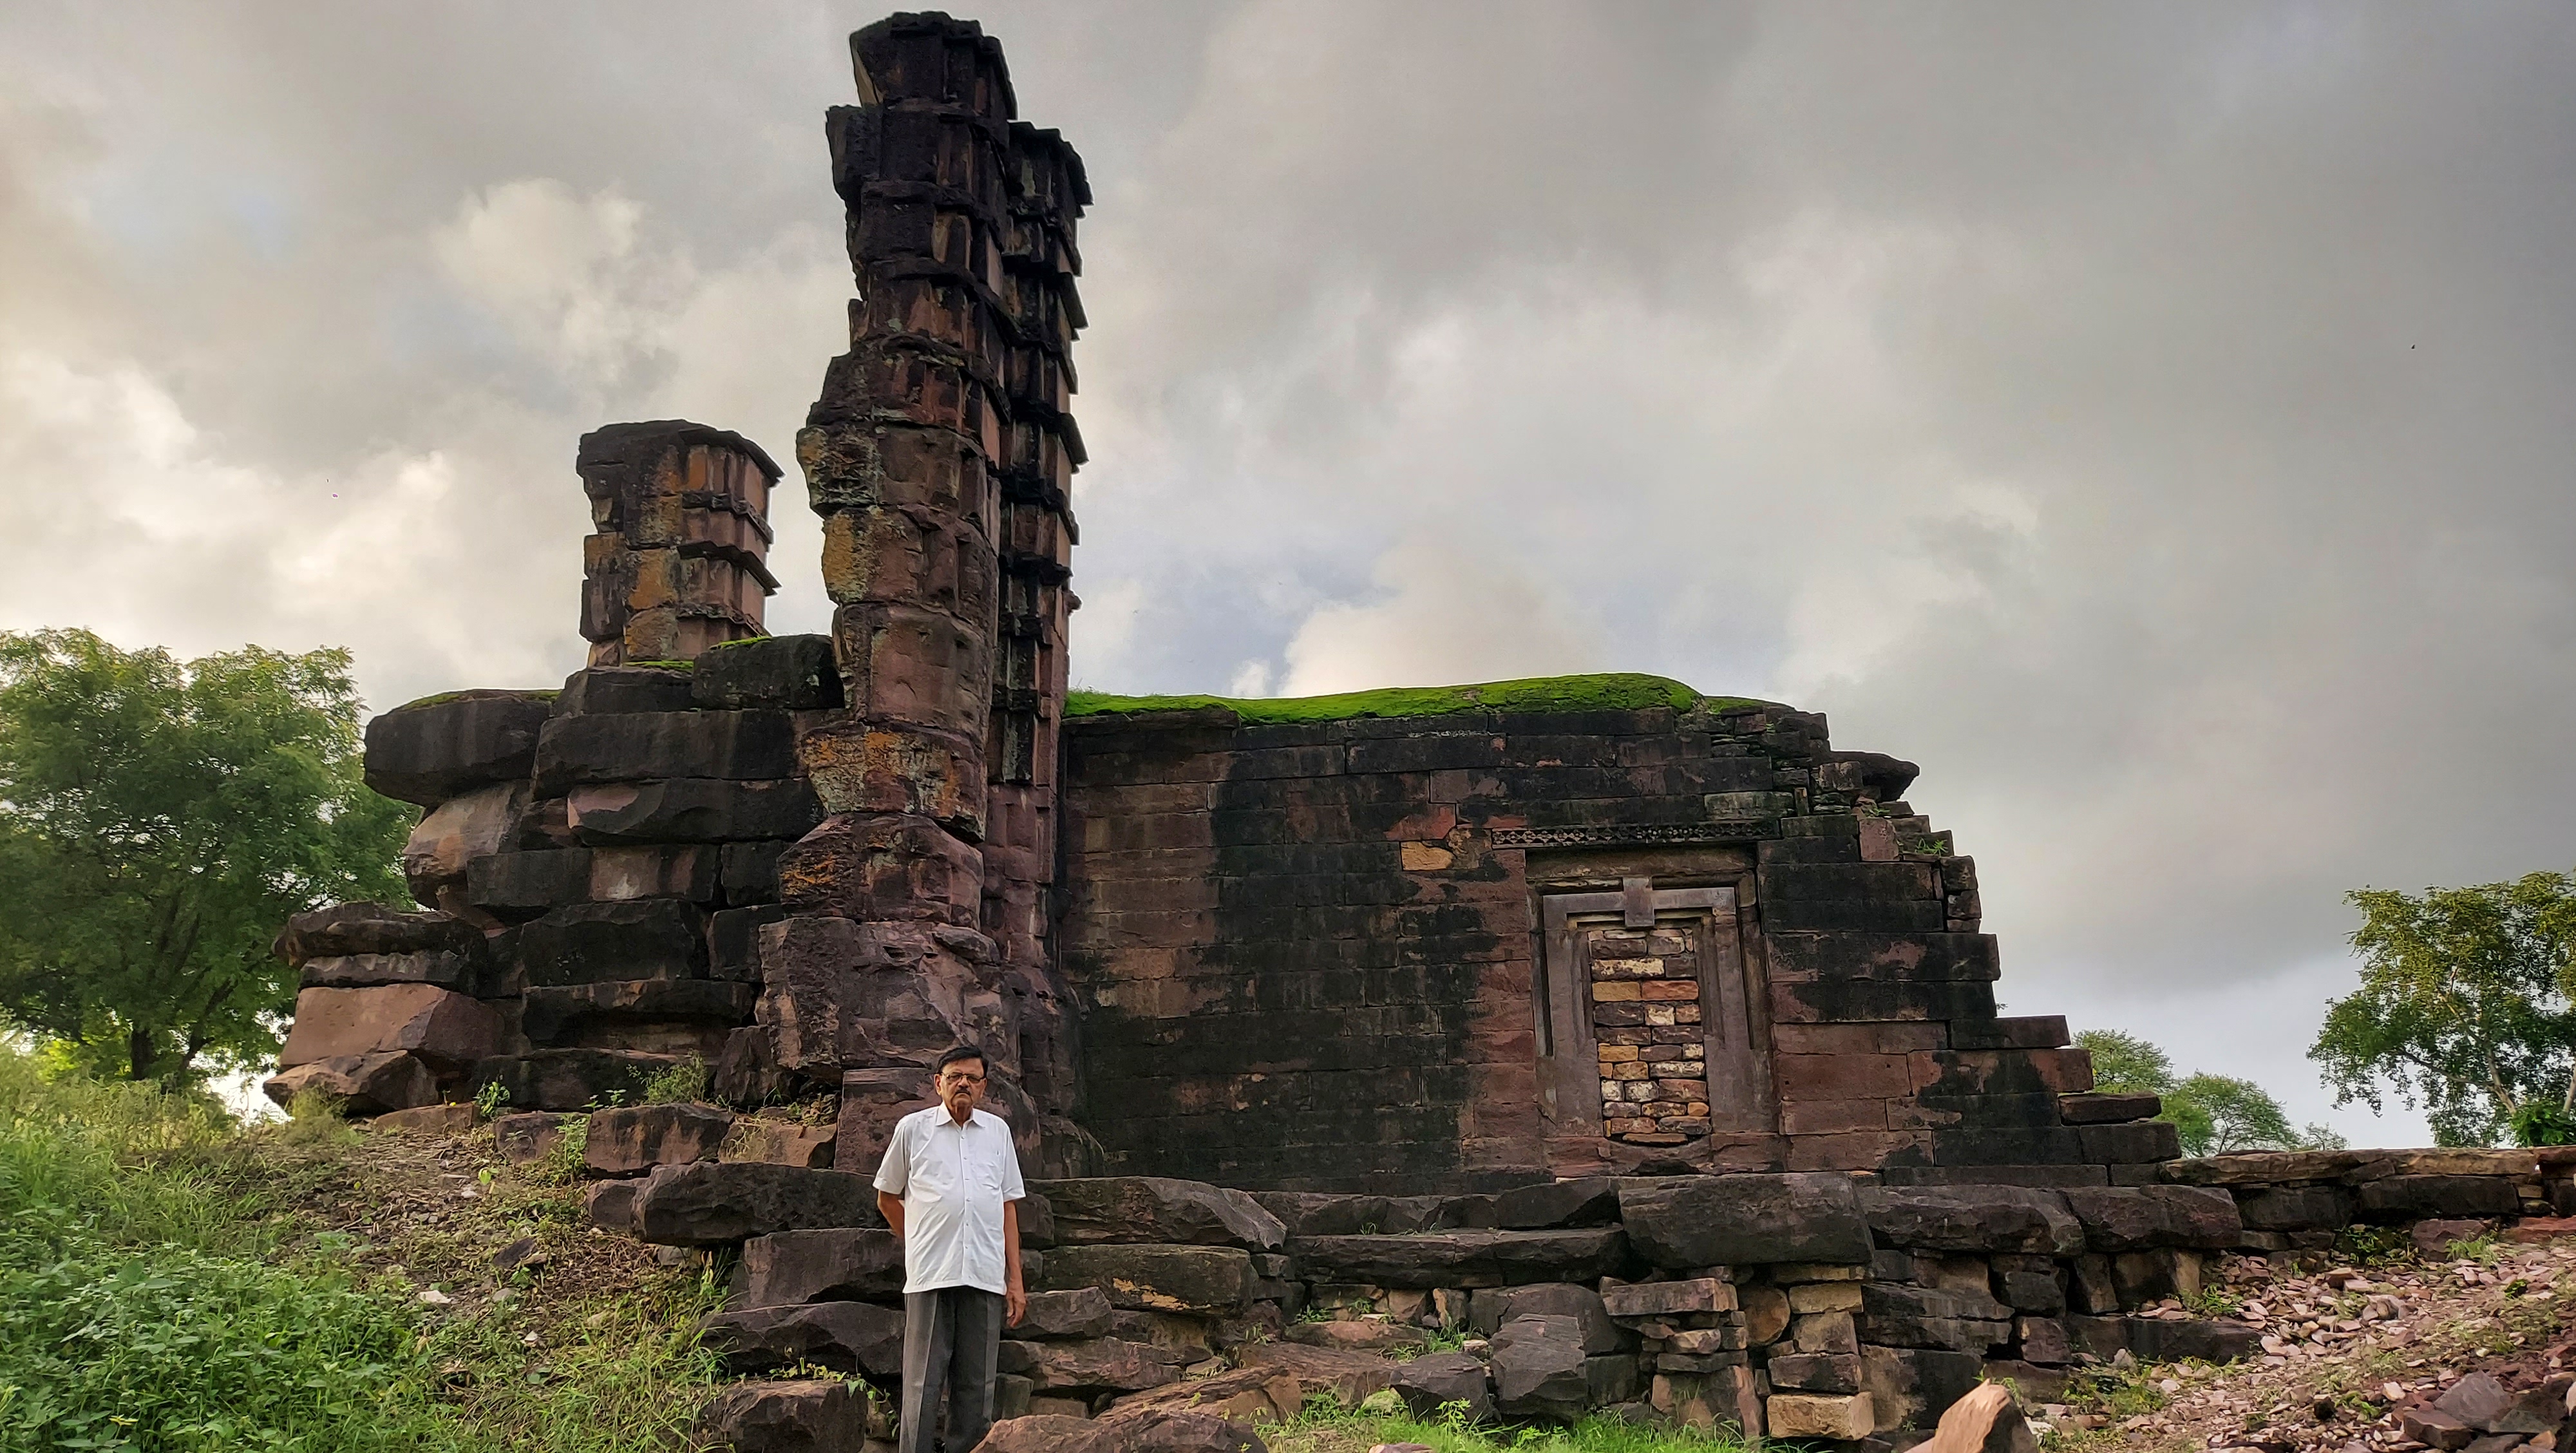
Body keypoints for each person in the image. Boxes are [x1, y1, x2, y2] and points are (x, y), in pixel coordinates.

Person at [873, 1044, 1028, 1453]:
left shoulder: (998, 1133)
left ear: (984, 1087)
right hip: (931, 1274)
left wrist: (1016, 1280)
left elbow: (1007, 1206)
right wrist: (919, 1241)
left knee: (977, 1390)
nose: (963, 1084)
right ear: (938, 1083)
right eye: (955, 1076)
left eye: (972, 1078)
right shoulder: (913, 1129)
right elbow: (888, 1198)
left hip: (984, 1272)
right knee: (922, 1384)